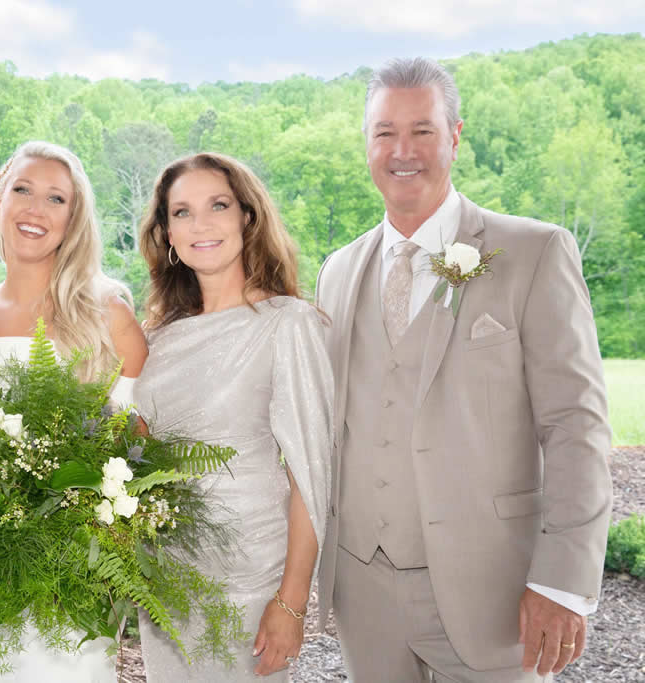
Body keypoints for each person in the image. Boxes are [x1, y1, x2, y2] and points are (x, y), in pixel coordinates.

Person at [314, 57, 612, 682]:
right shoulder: (337, 270)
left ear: (455, 135)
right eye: (384, 132)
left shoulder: (534, 251)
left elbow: (575, 425)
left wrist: (563, 583)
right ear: (366, 143)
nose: (403, 151)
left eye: (422, 130)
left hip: (492, 590)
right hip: (362, 588)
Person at [0, 140, 147, 682]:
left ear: (74, 218)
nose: (35, 210)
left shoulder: (107, 316)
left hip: (68, 582)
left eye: (55, 199)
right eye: (22, 189)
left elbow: (138, 445)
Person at [132, 152, 333, 681]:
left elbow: (311, 476)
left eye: (218, 205)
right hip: (165, 585)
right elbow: (137, 453)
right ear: (167, 233)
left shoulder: (288, 325)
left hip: (247, 581)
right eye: (182, 212)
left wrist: (291, 604)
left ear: (248, 216)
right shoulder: (158, 337)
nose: (202, 224)